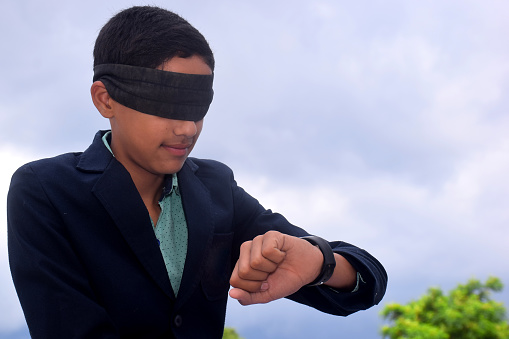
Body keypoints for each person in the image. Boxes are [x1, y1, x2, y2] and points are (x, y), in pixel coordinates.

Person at [7, 6, 387, 339]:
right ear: (106, 99)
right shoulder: (45, 191)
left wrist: (320, 262)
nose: (187, 128)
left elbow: (368, 281)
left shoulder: (215, 188)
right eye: (165, 106)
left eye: (197, 107)